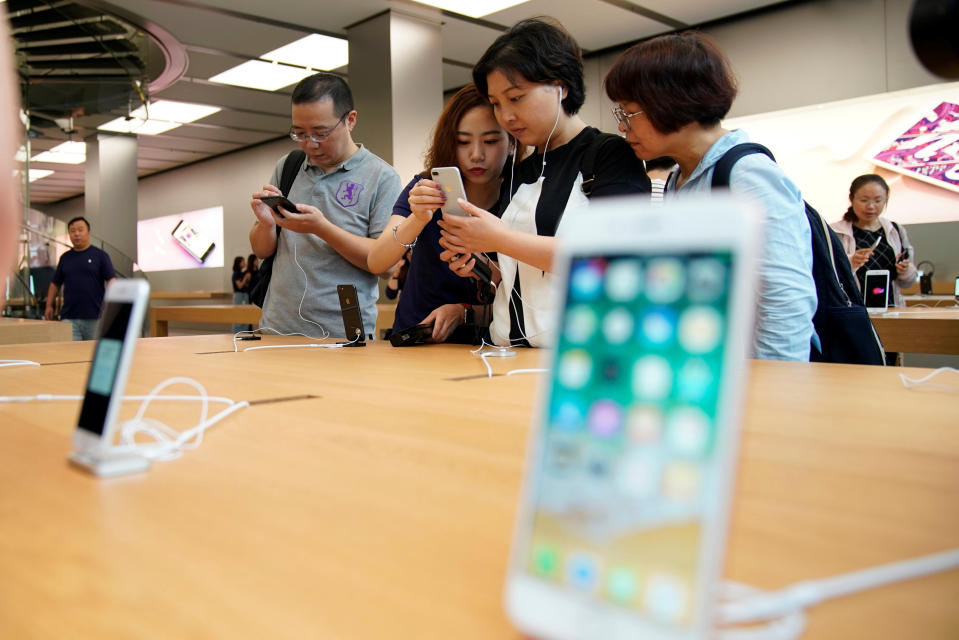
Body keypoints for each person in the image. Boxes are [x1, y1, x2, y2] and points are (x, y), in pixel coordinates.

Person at [604, 31, 817, 361]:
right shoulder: (679, 177)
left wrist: (778, 387)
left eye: (628, 113)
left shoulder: (747, 174)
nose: (622, 128)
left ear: (671, 102)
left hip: (759, 379)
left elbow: (785, 298)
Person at [438, 18, 650, 347]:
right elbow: (525, 276)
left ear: (560, 86)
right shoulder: (522, 170)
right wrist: (483, 264)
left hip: (577, 354)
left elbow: (611, 259)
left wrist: (501, 239)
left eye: (516, 97)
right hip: (506, 350)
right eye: (496, 103)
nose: (505, 116)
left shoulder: (609, 155)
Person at [249, 73, 402, 338]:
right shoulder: (288, 166)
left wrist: (321, 228)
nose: (310, 144)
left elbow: (385, 264)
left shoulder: (382, 178)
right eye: (300, 134)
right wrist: (266, 223)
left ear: (350, 120)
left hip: (343, 334)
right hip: (277, 328)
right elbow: (262, 250)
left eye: (321, 133)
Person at [367, 84, 511, 343]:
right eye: (463, 142)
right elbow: (377, 262)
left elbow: (526, 297)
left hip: (491, 346)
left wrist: (467, 307)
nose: (476, 155)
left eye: (490, 141)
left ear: (512, 142)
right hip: (416, 338)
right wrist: (418, 219)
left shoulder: (521, 195)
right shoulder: (424, 189)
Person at [830, 174, 916, 308]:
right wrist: (850, 262)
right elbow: (826, 276)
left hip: (892, 309)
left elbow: (907, 282)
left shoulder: (895, 230)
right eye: (864, 200)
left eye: (878, 200)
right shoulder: (835, 232)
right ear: (851, 199)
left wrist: (905, 270)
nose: (871, 206)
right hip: (853, 310)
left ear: (885, 200)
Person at [44, 216, 117, 340]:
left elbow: (111, 280)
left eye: (80, 230)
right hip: (69, 317)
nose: (76, 234)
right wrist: (48, 306)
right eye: (72, 231)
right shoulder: (65, 258)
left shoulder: (100, 255)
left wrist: (113, 305)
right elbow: (55, 283)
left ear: (88, 233)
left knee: (92, 354)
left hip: (95, 316)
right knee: (70, 354)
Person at [231, 255, 251, 333]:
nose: (244, 263)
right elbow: (239, 286)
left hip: (245, 295)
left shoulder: (243, 273)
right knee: (238, 315)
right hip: (239, 295)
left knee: (245, 315)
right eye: (243, 261)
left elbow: (246, 285)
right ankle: (236, 333)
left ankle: (244, 332)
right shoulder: (236, 274)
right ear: (238, 263)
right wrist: (245, 278)